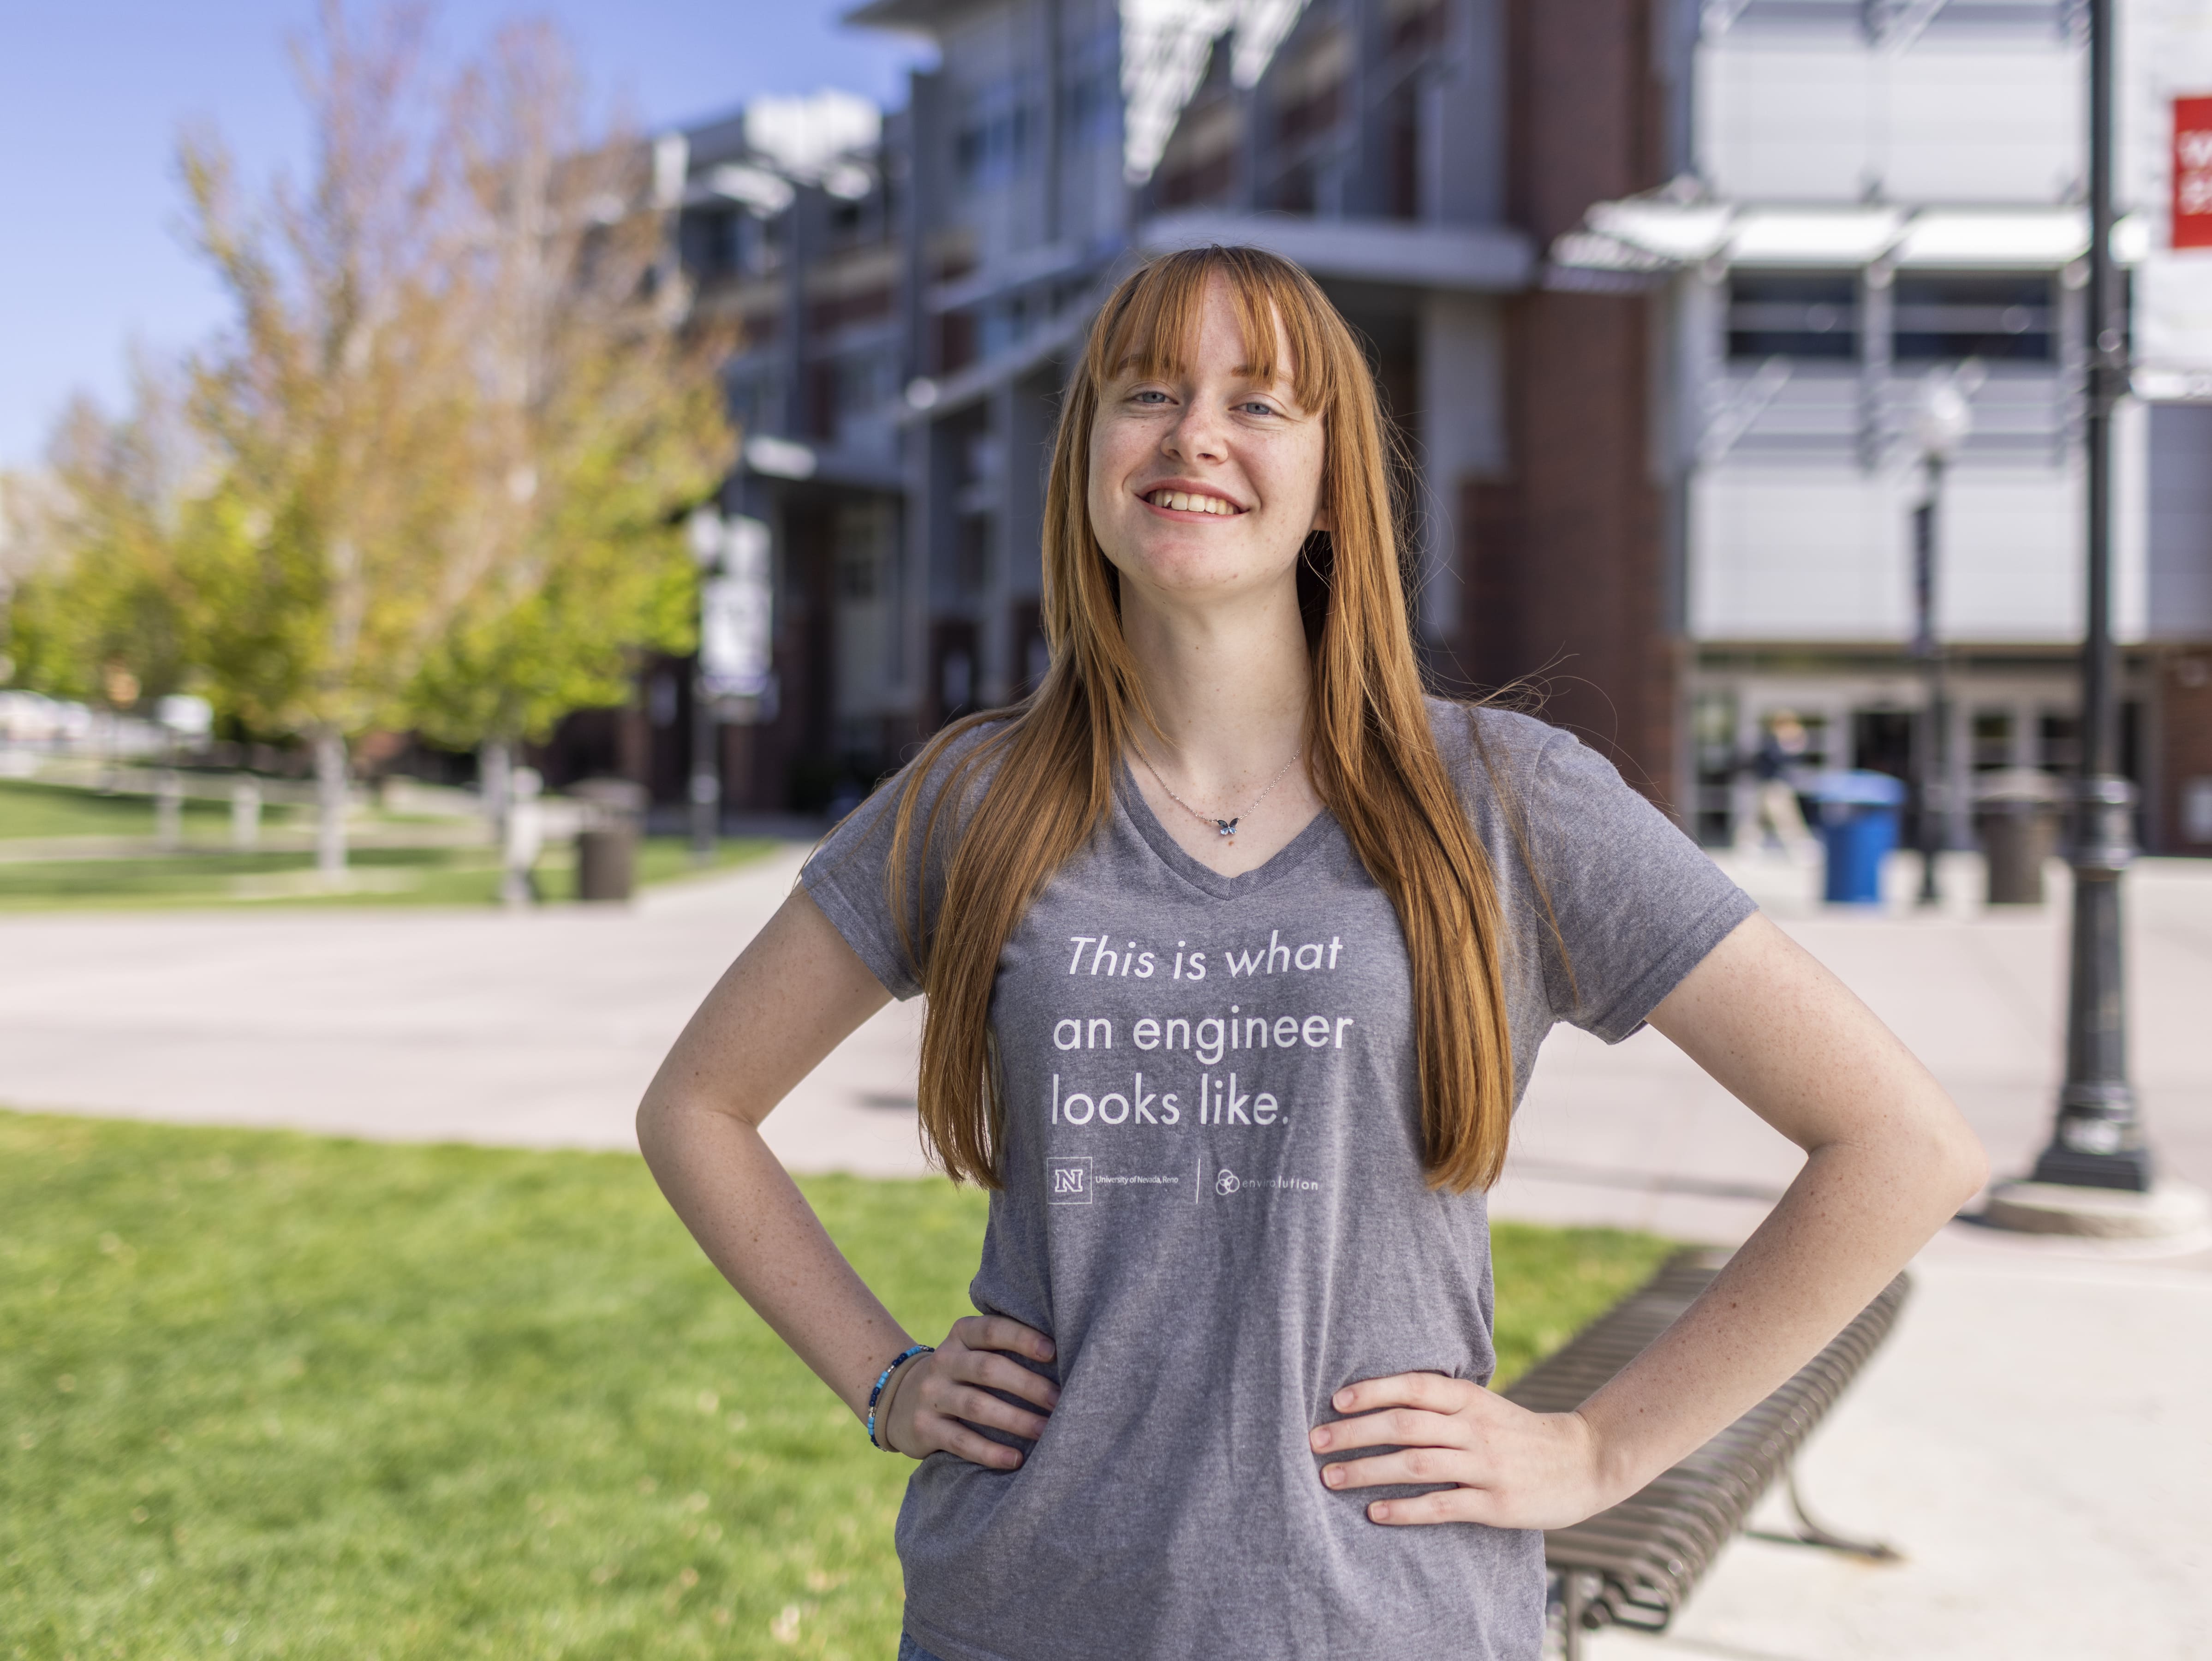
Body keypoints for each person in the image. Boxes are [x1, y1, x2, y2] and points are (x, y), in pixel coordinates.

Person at [636, 246, 1985, 1661]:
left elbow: (1901, 1144)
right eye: (1145, 392)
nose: (1191, 435)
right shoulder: (974, 798)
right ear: (1086, 456)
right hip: (1022, 1609)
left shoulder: (1504, 797)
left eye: (1256, 403)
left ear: (1334, 481)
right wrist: (883, 1379)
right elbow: (696, 1109)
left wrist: (1597, 1455)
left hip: (1378, 1617)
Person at [1748, 710, 1813, 854]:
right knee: (1782, 817)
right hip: (1771, 786)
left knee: (1767, 818)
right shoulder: (1772, 742)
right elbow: (1772, 760)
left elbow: (1794, 763)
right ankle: (1799, 846)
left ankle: (1750, 845)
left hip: (1782, 786)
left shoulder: (1792, 742)